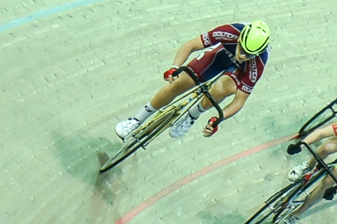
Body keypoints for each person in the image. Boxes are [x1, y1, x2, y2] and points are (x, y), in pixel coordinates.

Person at [114, 21, 270, 140]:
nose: (242, 56)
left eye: (249, 54)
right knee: (179, 83)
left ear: (257, 54)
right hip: (221, 56)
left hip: (240, 71)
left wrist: (218, 119)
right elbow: (191, 45)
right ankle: (136, 119)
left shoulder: (257, 64)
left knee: (221, 88)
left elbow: (239, 102)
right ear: (240, 39)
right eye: (242, 49)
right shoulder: (230, 32)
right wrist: (174, 67)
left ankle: (192, 115)